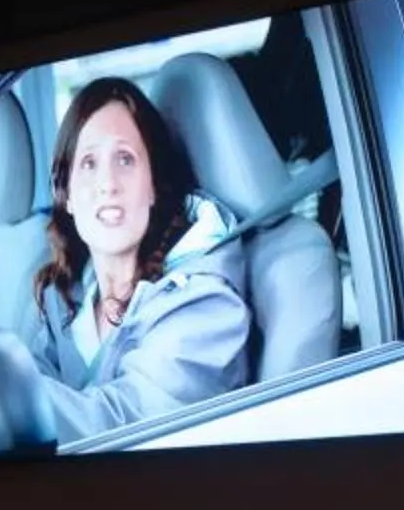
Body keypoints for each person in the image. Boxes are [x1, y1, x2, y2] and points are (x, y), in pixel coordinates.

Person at [22, 77, 250, 443]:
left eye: (125, 159)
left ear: (154, 187)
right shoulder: (64, 296)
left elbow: (127, 430)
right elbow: (34, 372)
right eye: (89, 163)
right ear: (66, 194)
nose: (108, 183)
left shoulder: (206, 307)